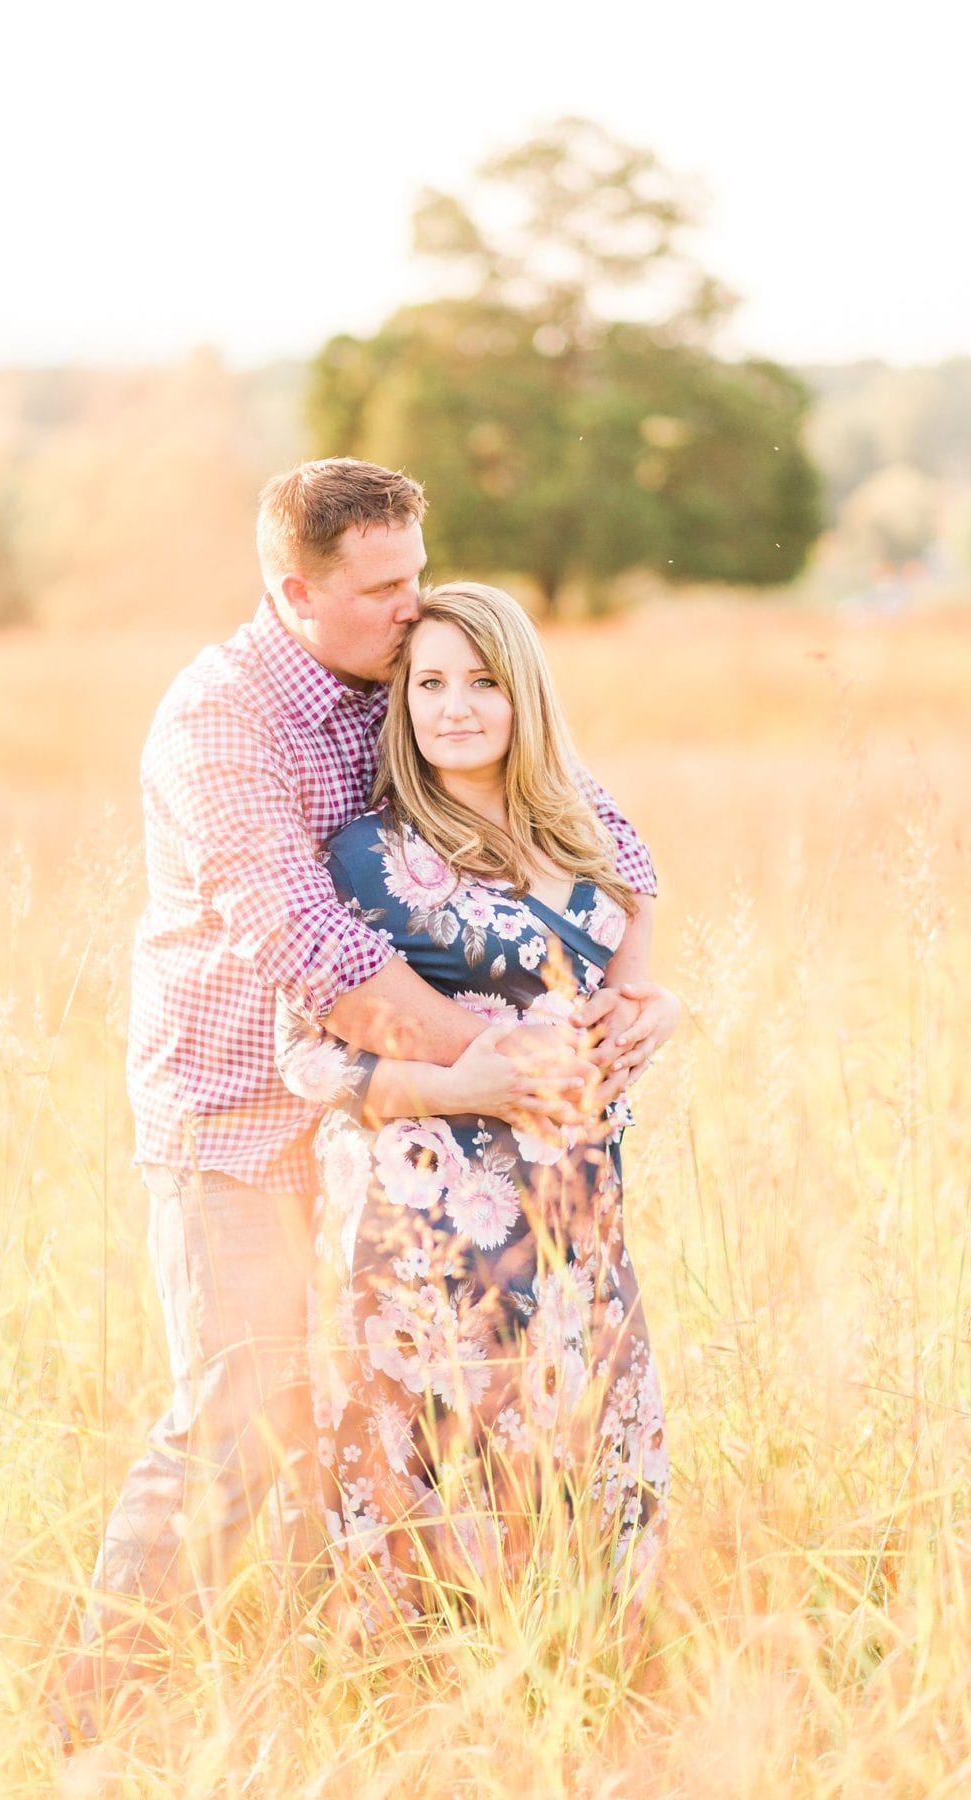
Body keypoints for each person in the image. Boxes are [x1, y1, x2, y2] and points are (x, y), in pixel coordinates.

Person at [59, 460, 676, 1734]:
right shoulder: (220, 720)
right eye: (387, 589)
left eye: (418, 576)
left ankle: (317, 1705)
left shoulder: (396, 666)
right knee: (237, 1419)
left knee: (353, 1427)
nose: (415, 607)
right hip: (239, 1118)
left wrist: (645, 994)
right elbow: (304, 945)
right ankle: (97, 1710)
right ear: (299, 593)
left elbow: (585, 815)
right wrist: (497, 1065)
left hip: (386, 1135)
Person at [274, 581, 671, 1634]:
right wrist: (461, 1084)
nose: (456, 707)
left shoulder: (593, 836)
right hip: (427, 1233)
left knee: (581, 1480)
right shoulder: (367, 857)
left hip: (577, 1223)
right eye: (431, 682)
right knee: (437, 1498)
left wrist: (656, 1014)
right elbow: (310, 1060)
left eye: (484, 682)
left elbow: (629, 991)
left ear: (523, 693)